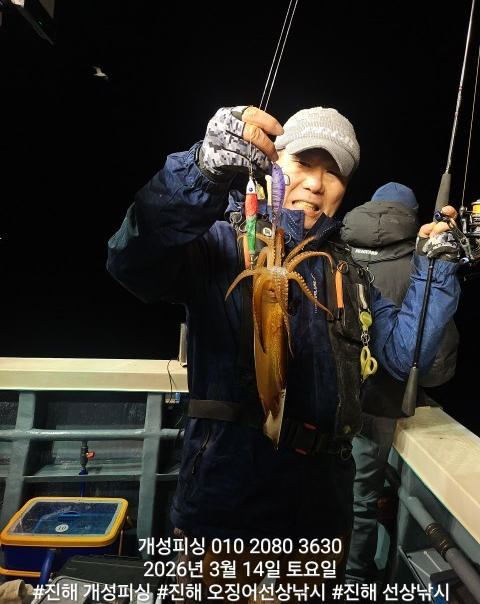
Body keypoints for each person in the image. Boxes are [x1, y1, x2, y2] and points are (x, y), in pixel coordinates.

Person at [106, 105, 461, 602]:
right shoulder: (221, 243)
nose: (316, 183)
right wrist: (201, 171)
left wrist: (433, 269)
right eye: (303, 163)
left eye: (333, 172)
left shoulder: (349, 275)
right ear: (274, 165)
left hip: (321, 517)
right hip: (225, 512)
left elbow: (406, 354)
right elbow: (130, 259)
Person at [340, 182, 459, 587]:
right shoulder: (420, 262)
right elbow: (432, 365)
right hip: (380, 405)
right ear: (410, 216)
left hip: (327, 403)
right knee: (361, 501)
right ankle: (354, 580)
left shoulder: (336, 251)